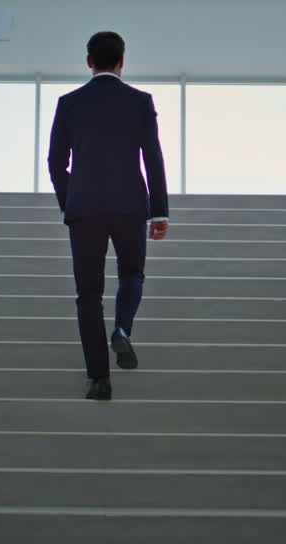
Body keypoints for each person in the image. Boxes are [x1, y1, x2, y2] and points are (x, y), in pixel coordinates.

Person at [47, 31, 170, 401]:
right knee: (132, 274)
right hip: (130, 205)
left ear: (89, 61)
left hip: (84, 208)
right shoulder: (140, 101)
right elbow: (153, 158)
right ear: (121, 61)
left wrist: (70, 201)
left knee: (88, 295)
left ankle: (99, 380)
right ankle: (122, 330)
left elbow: (55, 162)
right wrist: (159, 212)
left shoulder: (69, 103)